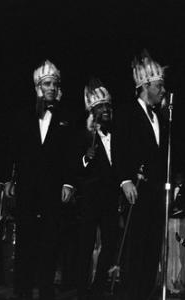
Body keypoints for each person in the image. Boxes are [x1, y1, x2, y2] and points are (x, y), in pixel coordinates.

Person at [4, 60, 75, 300]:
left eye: (55, 84)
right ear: (37, 87)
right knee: (26, 241)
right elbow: (11, 150)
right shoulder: (22, 117)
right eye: (47, 83)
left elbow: (70, 155)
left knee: (50, 243)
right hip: (27, 189)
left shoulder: (65, 119)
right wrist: (7, 179)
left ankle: (46, 291)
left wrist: (68, 183)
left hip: (53, 191)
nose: (52, 88)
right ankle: (22, 292)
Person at [112, 50, 167, 300]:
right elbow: (118, 149)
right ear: (145, 86)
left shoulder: (161, 117)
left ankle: (145, 293)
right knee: (136, 248)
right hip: (136, 190)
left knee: (152, 248)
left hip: (156, 193)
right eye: (159, 86)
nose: (163, 90)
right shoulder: (126, 113)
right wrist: (124, 180)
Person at [75, 78, 119, 300]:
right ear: (93, 110)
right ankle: (82, 289)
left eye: (108, 106)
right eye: (101, 107)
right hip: (91, 198)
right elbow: (74, 166)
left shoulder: (117, 135)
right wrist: (85, 158)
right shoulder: (84, 135)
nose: (106, 110)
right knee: (86, 243)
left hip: (111, 198)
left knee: (111, 242)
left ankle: (98, 286)